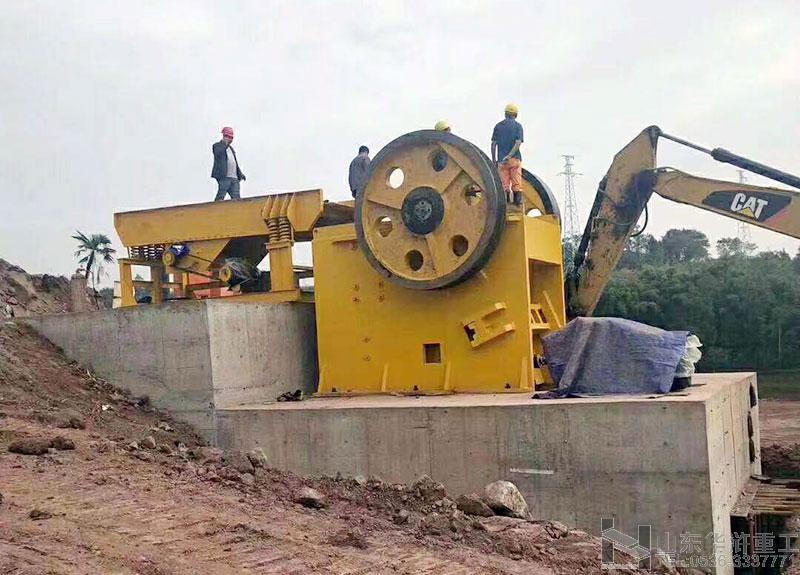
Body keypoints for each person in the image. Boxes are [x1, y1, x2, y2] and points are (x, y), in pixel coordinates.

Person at [491, 104, 524, 206]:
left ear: (505, 114)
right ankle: (517, 202)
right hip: (514, 158)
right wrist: (510, 155)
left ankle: (506, 203)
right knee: (516, 181)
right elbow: (518, 142)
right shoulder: (518, 126)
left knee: (504, 184)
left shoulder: (498, 126)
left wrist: (494, 160)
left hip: (501, 160)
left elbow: (493, 144)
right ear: (515, 115)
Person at [211, 126, 246, 201]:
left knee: (236, 198)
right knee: (221, 195)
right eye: (228, 137)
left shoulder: (231, 149)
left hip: (234, 178)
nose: (230, 139)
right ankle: (216, 207)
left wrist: (240, 174)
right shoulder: (217, 146)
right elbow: (217, 153)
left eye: (231, 137)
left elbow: (235, 163)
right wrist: (225, 144)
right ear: (223, 136)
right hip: (224, 177)